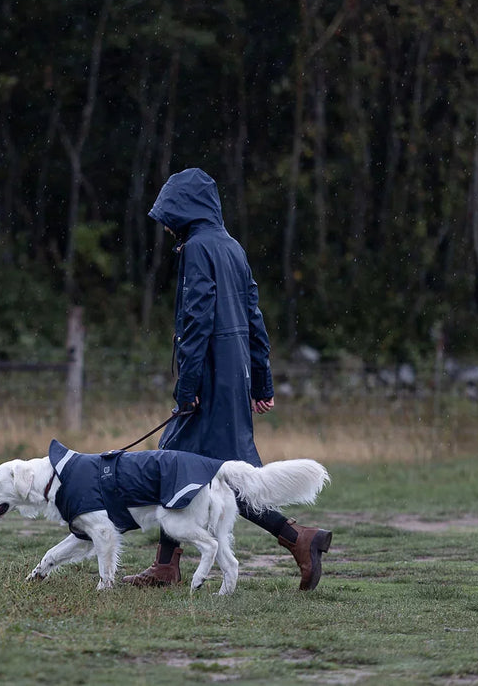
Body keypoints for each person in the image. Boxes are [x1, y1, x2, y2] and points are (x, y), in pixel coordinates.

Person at [122, 167, 332, 591]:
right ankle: (167, 564)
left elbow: (196, 321)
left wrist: (188, 389)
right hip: (233, 378)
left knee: (190, 468)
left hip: (211, 381)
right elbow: (254, 316)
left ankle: (298, 538)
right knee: (193, 469)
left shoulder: (198, 248)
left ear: (185, 209)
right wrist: (261, 382)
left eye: (169, 213)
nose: (166, 224)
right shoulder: (232, 247)